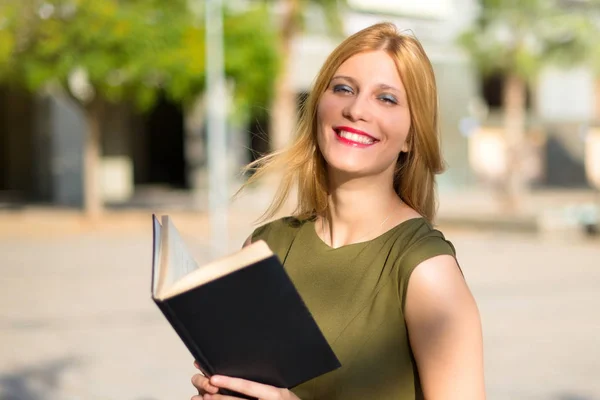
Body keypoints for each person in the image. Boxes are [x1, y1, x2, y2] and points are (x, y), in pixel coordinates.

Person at [191, 22, 485, 400]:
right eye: (344, 88)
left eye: (387, 99)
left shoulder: (426, 270)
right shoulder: (263, 247)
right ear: (318, 106)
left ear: (412, 136)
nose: (356, 109)